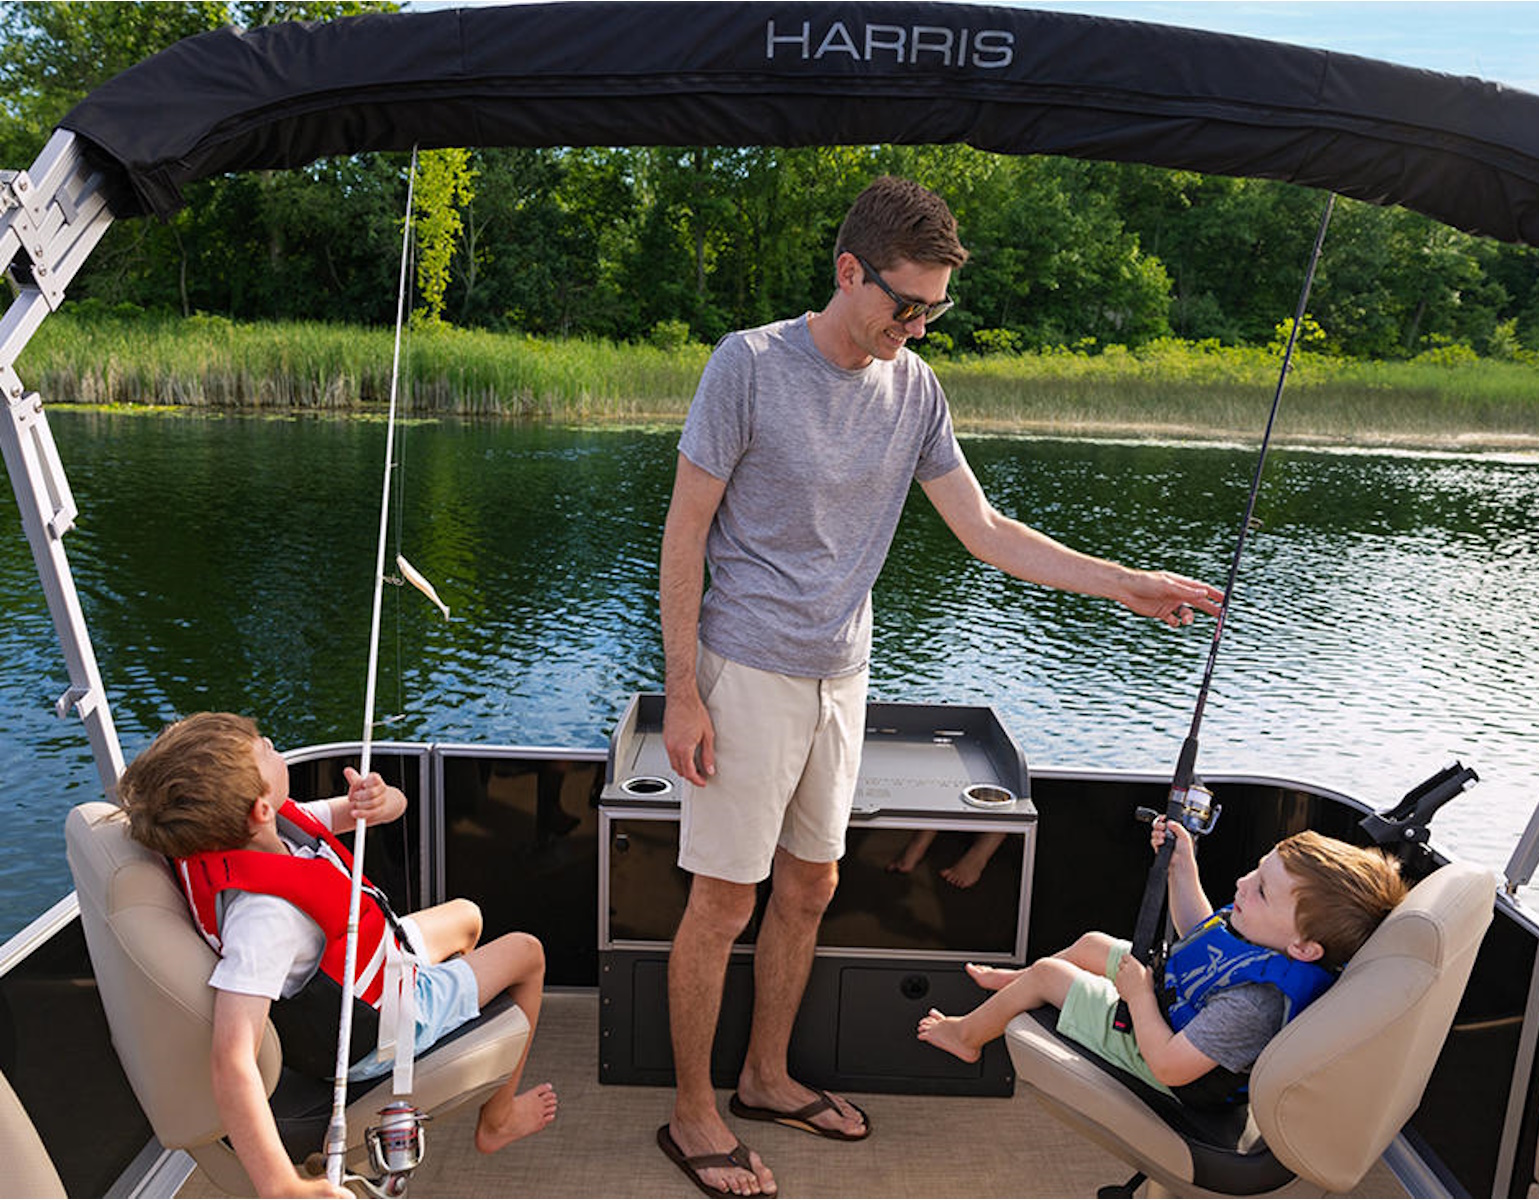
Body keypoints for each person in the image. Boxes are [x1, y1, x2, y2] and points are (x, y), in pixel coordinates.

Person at [656, 175, 1225, 1197]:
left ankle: (765, 1078)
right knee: (723, 901)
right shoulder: (748, 364)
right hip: (744, 668)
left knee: (811, 885)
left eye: (932, 310)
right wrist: (685, 693)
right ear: (849, 272)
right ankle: (692, 1111)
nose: (916, 328)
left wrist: (1122, 584)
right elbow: (684, 533)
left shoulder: (913, 388)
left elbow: (986, 531)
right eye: (905, 305)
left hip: (842, 674)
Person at [119, 712, 559, 1199]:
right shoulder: (263, 919)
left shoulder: (266, 829)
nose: (273, 745)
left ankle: (454, 1007)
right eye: (266, 749)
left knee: (467, 916)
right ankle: (498, 1119)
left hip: (373, 967)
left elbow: (380, 810)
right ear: (260, 809)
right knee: (527, 952)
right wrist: (282, 1186)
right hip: (380, 1025)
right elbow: (233, 1059)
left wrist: (382, 799)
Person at [916, 820, 1409, 1107]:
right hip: (1171, 1012)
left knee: (1051, 975)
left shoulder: (1253, 1004)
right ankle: (1016, 983)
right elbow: (1200, 936)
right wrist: (1182, 865)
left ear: (1303, 948)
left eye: (1261, 890)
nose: (1242, 884)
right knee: (1091, 944)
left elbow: (1171, 1066)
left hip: (1162, 1060)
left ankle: (967, 1037)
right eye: (1256, 871)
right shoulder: (1270, 939)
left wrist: (1138, 996)